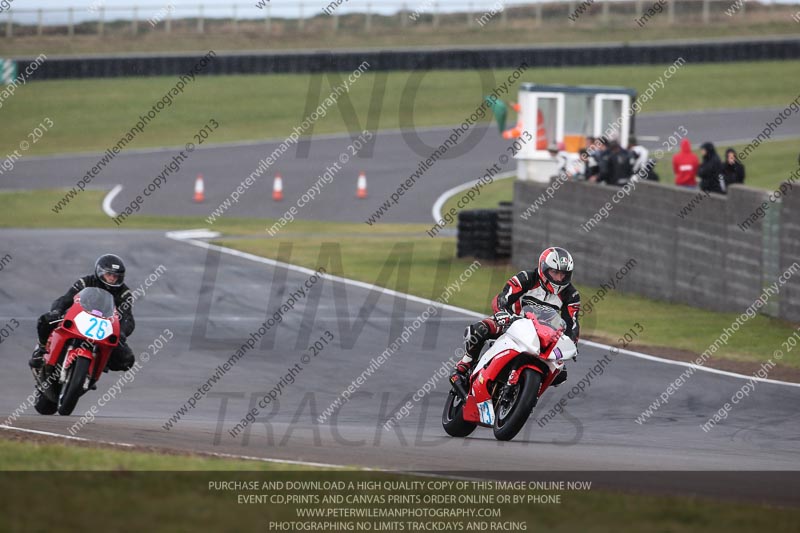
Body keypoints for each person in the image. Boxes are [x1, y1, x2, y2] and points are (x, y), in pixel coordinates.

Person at [451, 247, 580, 387]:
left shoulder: (571, 295)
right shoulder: (526, 278)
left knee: (560, 374)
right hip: (511, 323)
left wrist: (571, 342)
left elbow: (572, 323)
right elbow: (503, 298)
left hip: (543, 335)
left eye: (563, 274)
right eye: (555, 272)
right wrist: (503, 313)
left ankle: (528, 393)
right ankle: (466, 362)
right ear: (543, 268)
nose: (559, 278)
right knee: (478, 330)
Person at [29, 254, 136, 372]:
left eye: (115, 276)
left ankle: (98, 365)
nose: (112, 278)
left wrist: (122, 333)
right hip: (78, 319)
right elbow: (66, 298)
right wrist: (57, 310)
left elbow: (127, 317)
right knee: (46, 320)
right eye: (109, 274)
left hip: (103, 328)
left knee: (127, 360)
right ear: (100, 272)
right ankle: (41, 349)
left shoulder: (124, 293)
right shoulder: (86, 281)